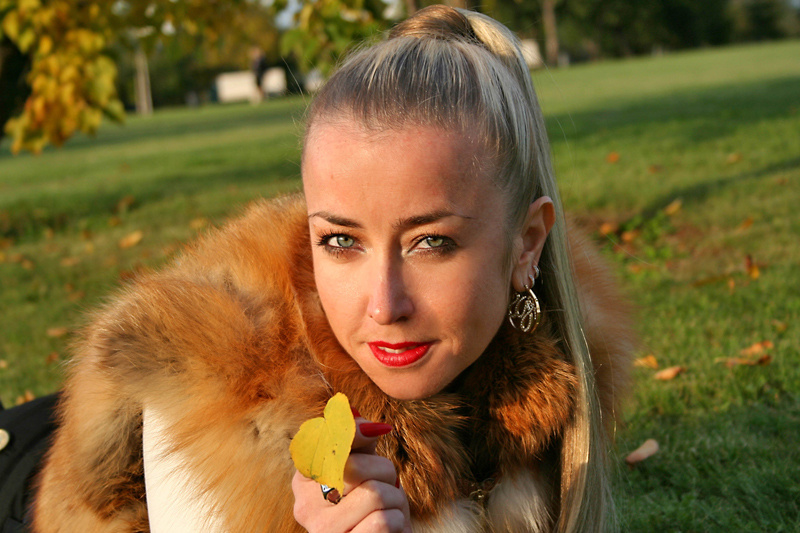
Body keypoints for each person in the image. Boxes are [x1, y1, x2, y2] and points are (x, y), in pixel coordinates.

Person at [30, 5, 633, 532]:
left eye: (430, 243)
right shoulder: (213, 407)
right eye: (342, 241)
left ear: (526, 245)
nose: (384, 305)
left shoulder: (572, 364)